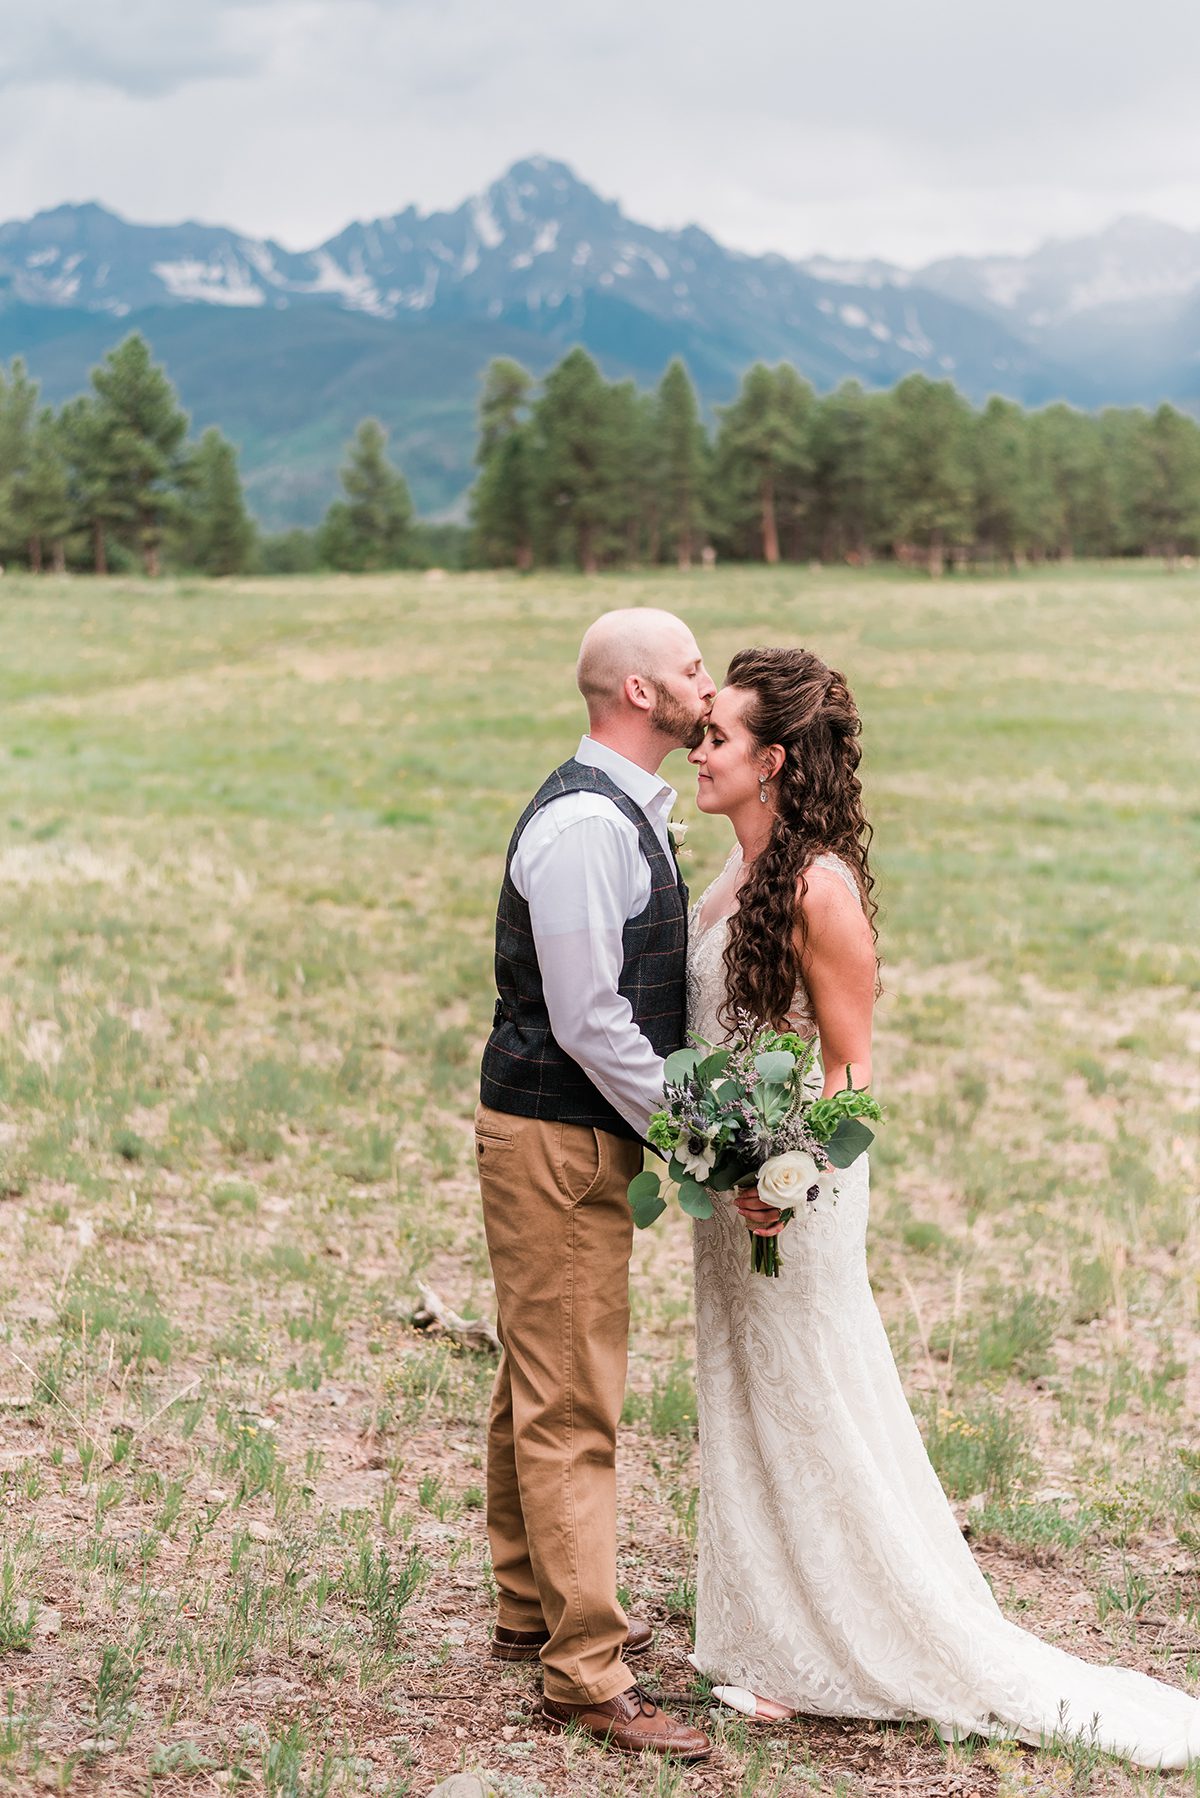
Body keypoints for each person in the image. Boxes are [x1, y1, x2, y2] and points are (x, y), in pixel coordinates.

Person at [683, 645, 1200, 1765]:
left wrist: (782, 1178)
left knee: (812, 1391)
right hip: (728, 1186)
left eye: (717, 733)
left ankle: (875, 1627)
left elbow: (851, 1070)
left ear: (772, 760)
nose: (698, 745)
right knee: (743, 1387)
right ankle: (771, 1629)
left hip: (793, 1189)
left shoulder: (817, 883)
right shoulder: (729, 872)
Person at [476, 608, 715, 1761]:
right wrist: (696, 1128)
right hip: (557, 1136)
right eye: (689, 666)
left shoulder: (625, 811)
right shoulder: (583, 824)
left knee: (541, 1365)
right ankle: (584, 1671)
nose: (703, 684)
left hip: (562, 1133)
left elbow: (631, 973)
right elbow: (587, 1018)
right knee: (574, 1397)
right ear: (635, 689)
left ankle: (530, 1607)